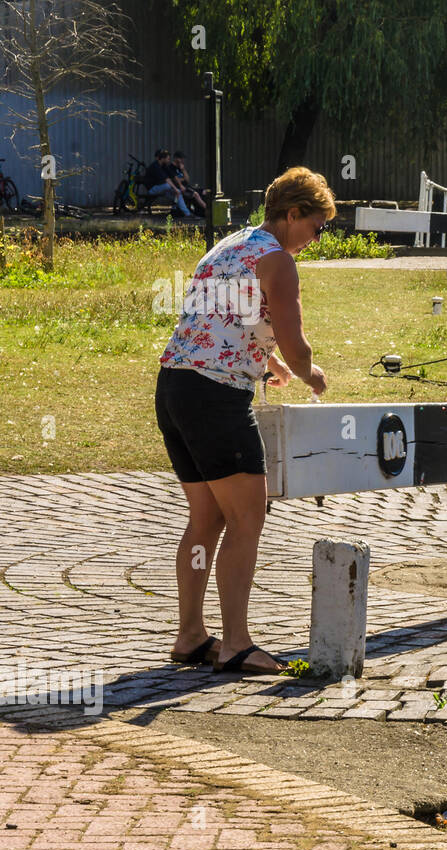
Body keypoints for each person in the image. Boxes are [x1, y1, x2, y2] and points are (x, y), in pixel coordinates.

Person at [155, 166, 334, 674]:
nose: (315, 240)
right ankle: (235, 643)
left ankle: (191, 636)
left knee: (206, 517)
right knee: (247, 517)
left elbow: (228, 320)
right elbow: (296, 344)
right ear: (293, 213)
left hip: (174, 386)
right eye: (316, 227)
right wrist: (307, 372)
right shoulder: (278, 262)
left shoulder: (230, 247)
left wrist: (268, 363)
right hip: (214, 399)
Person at [142, 148, 192, 218]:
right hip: (152, 189)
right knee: (168, 185)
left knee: (178, 193)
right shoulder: (155, 166)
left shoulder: (164, 166)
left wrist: (180, 186)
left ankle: (187, 214)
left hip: (163, 189)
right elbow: (167, 179)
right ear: (162, 158)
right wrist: (175, 189)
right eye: (168, 159)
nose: (169, 160)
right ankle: (177, 208)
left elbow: (174, 176)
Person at [170, 151, 208, 217]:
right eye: (180, 158)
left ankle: (201, 211)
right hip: (179, 188)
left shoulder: (180, 167)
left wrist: (183, 169)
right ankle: (208, 211)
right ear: (175, 158)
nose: (182, 160)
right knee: (195, 194)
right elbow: (175, 180)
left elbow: (187, 180)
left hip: (186, 186)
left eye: (183, 158)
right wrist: (182, 179)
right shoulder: (171, 167)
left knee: (204, 191)